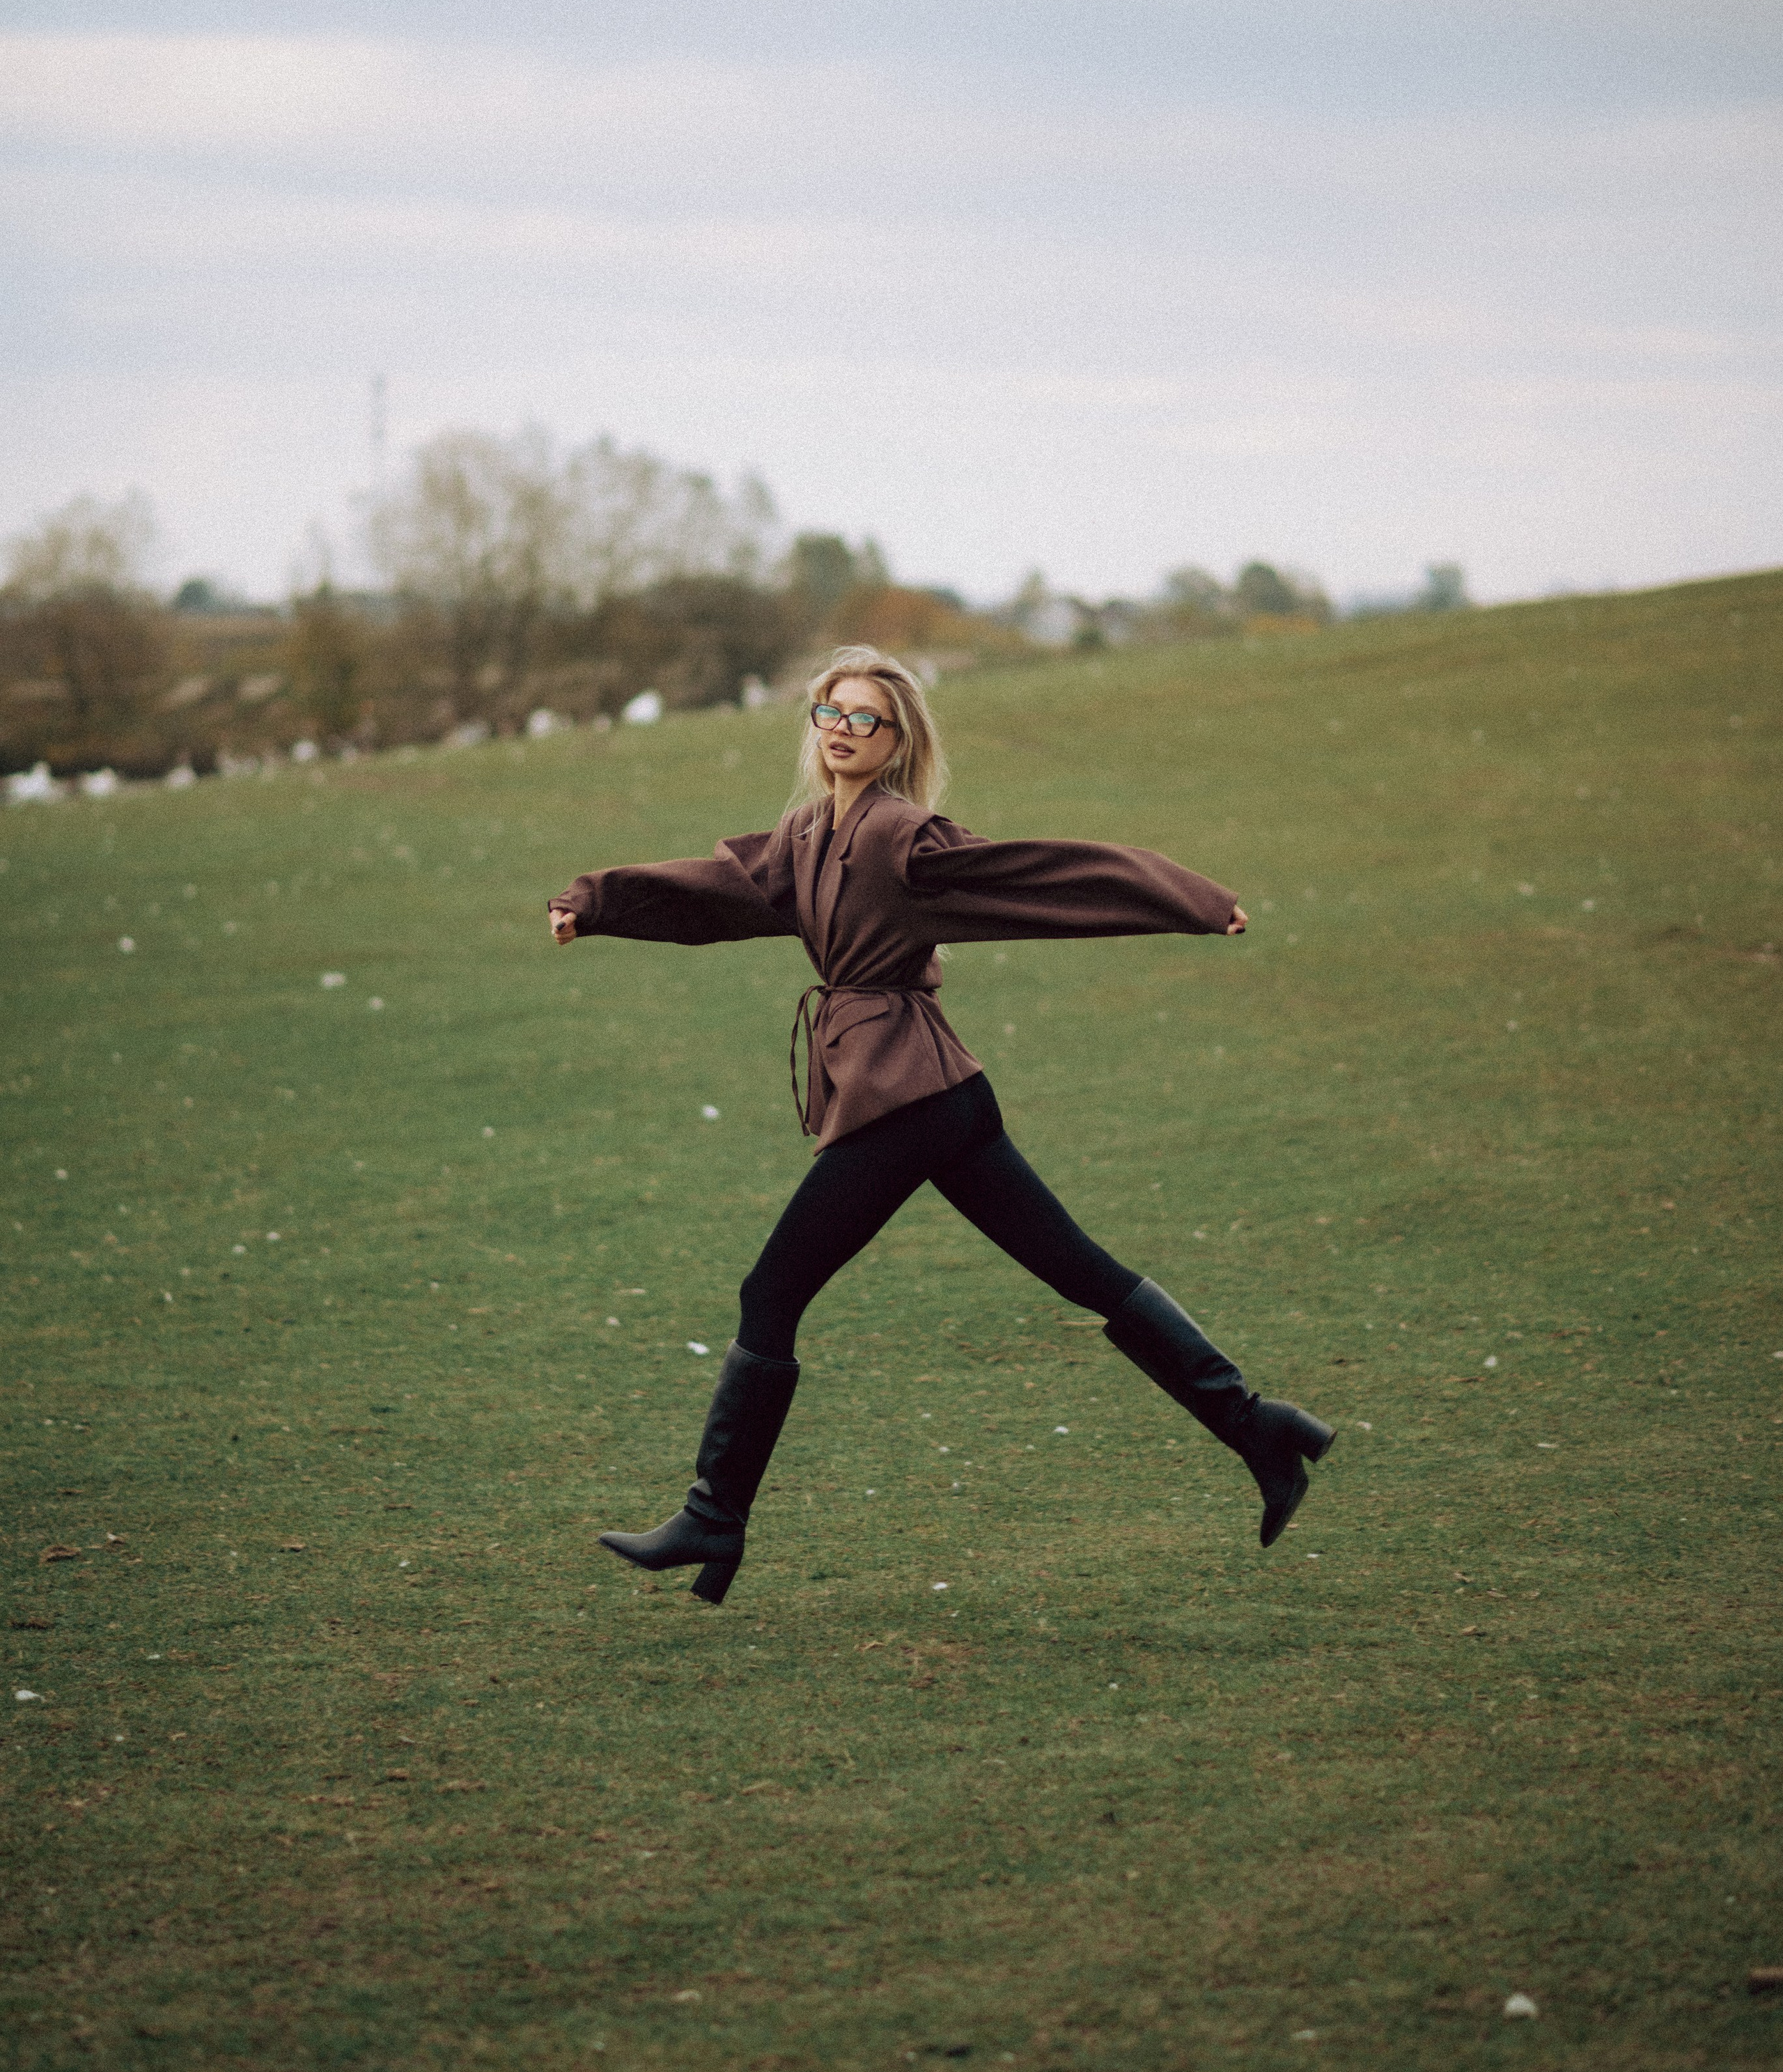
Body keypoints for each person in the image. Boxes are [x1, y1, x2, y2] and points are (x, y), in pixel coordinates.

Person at [547, 646, 1333, 1603]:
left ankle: (715, 1516)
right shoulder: (805, 835)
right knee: (1082, 1272)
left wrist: (1193, 903)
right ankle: (1261, 1430)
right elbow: (713, 888)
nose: (841, 730)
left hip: (905, 1097)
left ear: (898, 739)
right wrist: (592, 903)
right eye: (828, 712)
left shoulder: (902, 837)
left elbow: (1041, 876)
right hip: (936, 1095)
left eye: (864, 719)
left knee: (772, 1290)